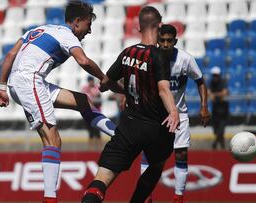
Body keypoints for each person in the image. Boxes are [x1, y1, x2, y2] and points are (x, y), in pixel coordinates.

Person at [0, 1, 121, 202]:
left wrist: (2, 87)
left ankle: (119, 135)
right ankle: (50, 199)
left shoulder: (37, 30)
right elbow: (84, 61)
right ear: (77, 21)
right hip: (29, 81)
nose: (89, 31)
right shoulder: (67, 35)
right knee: (53, 139)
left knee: (82, 100)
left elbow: (10, 55)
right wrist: (104, 78)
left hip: (24, 82)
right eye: (89, 25)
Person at [81, 6, 180, 203]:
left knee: (102, 179)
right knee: (156, 165)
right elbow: (163, 89)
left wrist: (123, 91)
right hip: (156, 128)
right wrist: (173, 110)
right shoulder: (160, 55)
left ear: (138, 27)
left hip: (128, 127)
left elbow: (105, 83)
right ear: (159, 26)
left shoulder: (128, 52)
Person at [139, 24, 210, 203]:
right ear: (157, 40)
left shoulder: (185, 59)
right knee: (148, 155)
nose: (165, 44)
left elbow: (200, 81)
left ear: (175, 41)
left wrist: (204, 106)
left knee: (181, 154)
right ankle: (146, 197)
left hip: (179, 113)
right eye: (162, 40)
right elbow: (133, 74)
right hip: (154, 115)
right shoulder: (149, 58)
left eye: (169, 41)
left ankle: (178, 197)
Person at [208, 66, 229, 149]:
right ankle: (221, 145)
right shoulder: (211, 82)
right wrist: (215, 95)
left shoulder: (223, 81)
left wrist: (214, 95)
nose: (215, 77)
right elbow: (208, 92)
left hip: (223, 110)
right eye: (214, 75)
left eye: (216, 75)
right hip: (215, 109)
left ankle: (216, 144)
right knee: (216, 130)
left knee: (221, 129)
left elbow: (225, 92)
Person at [82, 76, 102, 149]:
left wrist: (91, 97)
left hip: (96, 113)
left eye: (92, 81)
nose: (91, 82)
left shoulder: (96, 88)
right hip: (88, 112)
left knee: (97, 132)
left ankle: (99, 147)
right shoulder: (85, 88)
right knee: (90, 132)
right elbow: (85, 98)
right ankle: (90, 149)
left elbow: (96, 97)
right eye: (90, 81)